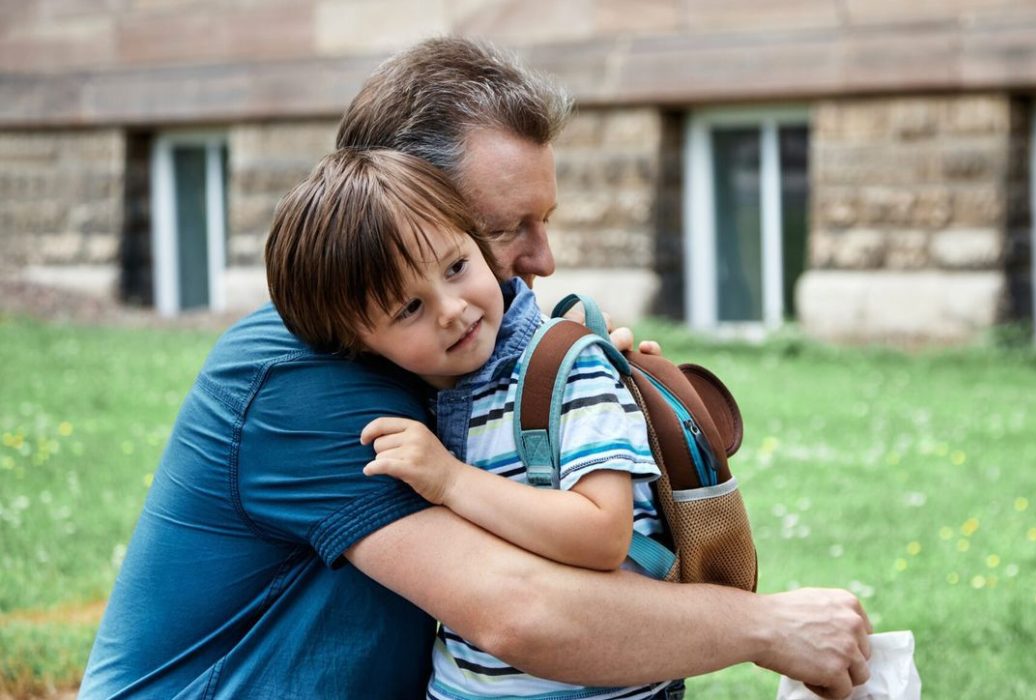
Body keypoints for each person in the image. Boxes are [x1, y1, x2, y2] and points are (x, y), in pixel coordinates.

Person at [80, 36, 871, 699]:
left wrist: (579, 394)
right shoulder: (302, 383)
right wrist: (769, 628)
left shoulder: (449, 362)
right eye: (506, 227)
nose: (544, 259)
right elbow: (522, 615)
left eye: (543, 220)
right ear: (398, 203)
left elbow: (576, 527)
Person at [268, 146, 676, 699]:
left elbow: (603, 534)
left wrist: (452, 480)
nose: (453, 309)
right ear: (358, 346)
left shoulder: (565, 368)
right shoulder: (428, 397)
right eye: (408, 309)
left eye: (457, 267)